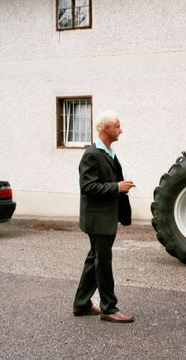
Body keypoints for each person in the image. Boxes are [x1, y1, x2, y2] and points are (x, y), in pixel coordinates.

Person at [72, 110, 135, 323]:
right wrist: (117, 187)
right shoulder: (92, 153)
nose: (121, 130)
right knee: (103, 262)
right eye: (118, 126)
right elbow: (87, 187)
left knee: (95, 259)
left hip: (105, 217)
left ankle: (81, 304)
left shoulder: (108, 152)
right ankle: (109, 308)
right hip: (98, 219)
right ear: (106, 128)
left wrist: (120, 188)